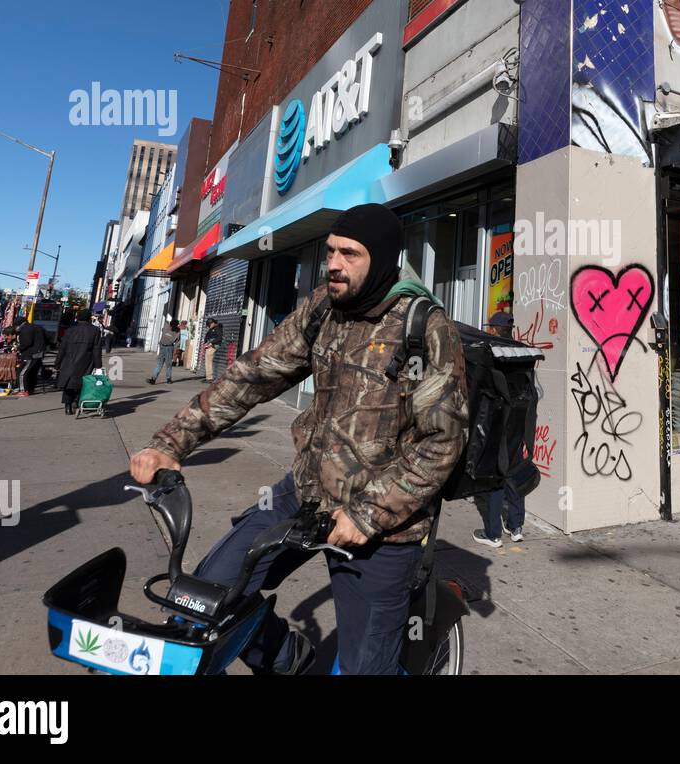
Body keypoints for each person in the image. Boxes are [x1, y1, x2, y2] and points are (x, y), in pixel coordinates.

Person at [127, 204, 468, 675]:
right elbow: (252, 376)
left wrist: (367, 514)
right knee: (207, 596)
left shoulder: (425, 328)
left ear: (382, 258)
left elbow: (442, 442)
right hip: (303, 495)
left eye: (350, 253)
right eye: (330, 251)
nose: (334, 263)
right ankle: (291, 662)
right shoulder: (322, 310)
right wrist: (172, 442)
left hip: (383, 529)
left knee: (368, 668)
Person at [473, 311, 525, 548]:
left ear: (494, 329)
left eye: (490, 328)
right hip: (518, 420)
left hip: (497, 419)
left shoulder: (491, 351)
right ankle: (515, 526)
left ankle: (493, 533)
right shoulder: (521, 351)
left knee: (495, 473)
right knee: (513, 470)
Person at [56, 310, 103, 415]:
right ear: (88, 318)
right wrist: (98, 365)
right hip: (86, 360)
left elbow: (62, 348)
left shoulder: (70, 330)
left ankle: (67, 406)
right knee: (83, 382)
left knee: (68, 383)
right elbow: (97, 349)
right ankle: (76, 401)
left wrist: (57, 362)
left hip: (69, 360)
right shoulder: (95, 331)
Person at [14, 317, 47, 397]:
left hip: (30, 354)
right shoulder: (37, 327)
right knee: (32, 372)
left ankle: (23, 390)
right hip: (39, 353)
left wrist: (18, 348)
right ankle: (30, 389)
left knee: (22, 372)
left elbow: (27, 342)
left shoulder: (25, 329)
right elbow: (47, 338)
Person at [147, 319, 179, 385]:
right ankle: (153, 379)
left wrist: (175, 349)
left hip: (169, 348)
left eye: (173, 326)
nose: (171, 327)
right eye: (171, 326)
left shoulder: (176, 330)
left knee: (168, 364)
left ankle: (168, 379)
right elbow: (177, 341)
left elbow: (177, 342)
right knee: (160, 364)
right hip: (163, 347)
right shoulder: (168, 328)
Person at [202, 317, 223, 382]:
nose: (208, 326)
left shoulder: (218, 329)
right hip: (209, 346)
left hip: (212, 346)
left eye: (209, 325)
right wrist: (205, 343)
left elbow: (219, 338)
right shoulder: (212, 328)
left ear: (213, 323)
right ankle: (208, 377)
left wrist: (211, 343)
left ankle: (209, 378)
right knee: (207, 362)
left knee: (208, 362)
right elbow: (207, 336)